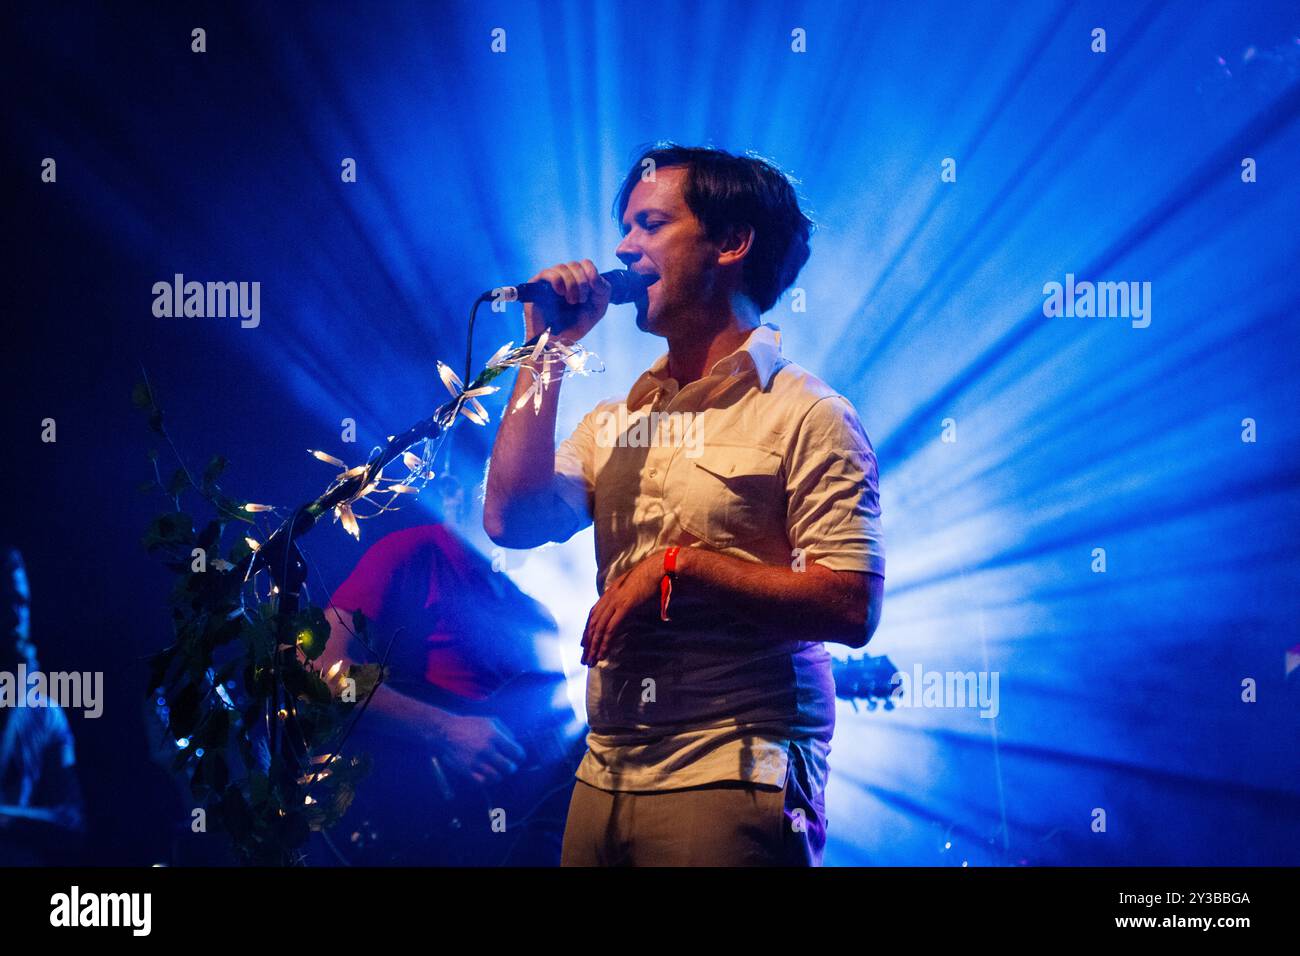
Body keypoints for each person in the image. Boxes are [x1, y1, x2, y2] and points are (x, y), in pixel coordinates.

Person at [483, 143, 886, 866]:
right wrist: (542, 351)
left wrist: (682, 566)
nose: (621, 247)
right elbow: (512, 519)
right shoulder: (617, 420)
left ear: (730, 244)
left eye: (649, 224)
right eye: (624, 228)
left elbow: (851, 608)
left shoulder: (808, 413)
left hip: (734, 767)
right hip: (605, 771)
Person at [319, 522, 582, 865]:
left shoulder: (536, 614)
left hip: (512, 837)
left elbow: (558, 752)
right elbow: (323, 670)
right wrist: (442, 729)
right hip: (412, 819)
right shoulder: (413, 552)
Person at [0, 544, 87, 865]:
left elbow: (73, 819)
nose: (13, 613)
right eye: (2, 600)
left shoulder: (47, 713)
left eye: (20, 602)